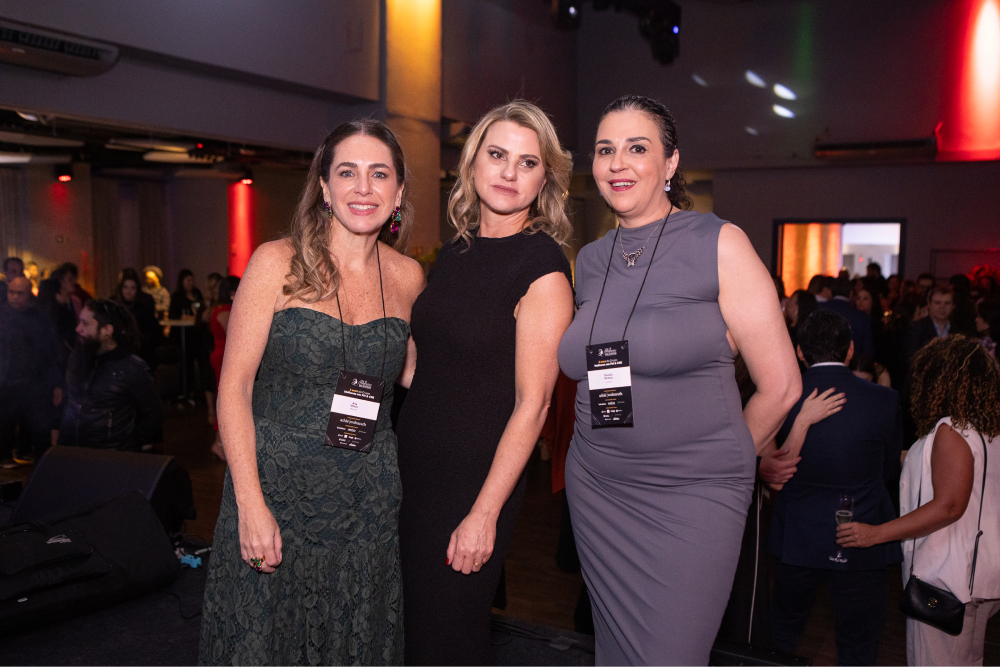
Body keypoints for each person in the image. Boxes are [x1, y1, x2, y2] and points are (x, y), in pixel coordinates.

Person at [556, 95, 801, 665]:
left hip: (692, 499)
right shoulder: (589, 261)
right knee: (615, 654)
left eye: (636, 148)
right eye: (605, 150)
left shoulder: (718, 243)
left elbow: (783, 386)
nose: (618, 163)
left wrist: (721, 463)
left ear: (670, 163)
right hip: (597, 489)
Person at [198, 119, 424, 665]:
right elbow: (234, 387)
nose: (363, 188)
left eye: (379, 174)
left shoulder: (408, 277)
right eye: (347, 172)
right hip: (277, 495)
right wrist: (250, 505)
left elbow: (420, 378)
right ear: (324, 186)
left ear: (398, 191)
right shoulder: (276, 262)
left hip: (368, 503)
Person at [394, 100, 574, 665]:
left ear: (544, 179)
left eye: (527, 162)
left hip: (472, 484)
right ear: (472, 163)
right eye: (497, 155)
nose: (509, 172)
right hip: (412, 471)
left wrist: (484, 513)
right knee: (412, 634)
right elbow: (422, 370)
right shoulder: (455, 253)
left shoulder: (543, 268)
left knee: (448, 639)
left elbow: (533, 406)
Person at [837, 336, 1000, 666]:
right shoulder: (987, 431)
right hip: (981, 574)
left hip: (947, 577)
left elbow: (949, 505)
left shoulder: (951, 430)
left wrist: (876, 533)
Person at [766, 310, 904, 665]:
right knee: (858, 644)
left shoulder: (779, 397)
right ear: (850, 349)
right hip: (861, 530)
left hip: (797, 534)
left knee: (782, 635)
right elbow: (889, 471)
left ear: (800, 351)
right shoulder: (884, 399)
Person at [59, 299, 163, 450]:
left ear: (107, 330)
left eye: (85, 324)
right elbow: (71, 404)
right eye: (79, 322)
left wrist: (126, 446)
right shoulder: (78, 358)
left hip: (107, 457)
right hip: (72, 453)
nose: (78, 329)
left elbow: (154, 414)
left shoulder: (131, 368)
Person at [0, 276, 63, 467]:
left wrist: (56, 383)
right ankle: (5, 456)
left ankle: (39, 458)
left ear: (28, 294)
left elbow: (50, 352)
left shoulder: (40, 318)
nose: (15, 297)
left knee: (38, 424)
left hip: (34, 380)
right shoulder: (2, 315)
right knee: (5, 421)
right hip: (7, 379)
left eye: (20, 293)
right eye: (12, 292)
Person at [207, 275, 239, 461]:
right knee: (226, 400)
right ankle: (219, 444)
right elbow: (234, 336)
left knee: (225, 398)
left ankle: (220, 443)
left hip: (223, 356)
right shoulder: (226, 310)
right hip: (225, 358)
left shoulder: (220, 309)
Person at [114, 268, 162, 371]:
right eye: (125, 287)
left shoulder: (145, 303)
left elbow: (153, 330)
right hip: (120, 351)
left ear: (137, 289)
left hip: (143, 350)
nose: (128, 291)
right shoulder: (114, 303)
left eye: (132, 288)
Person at [818, 276, 875, 358]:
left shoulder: (819, 308)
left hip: (822, 360)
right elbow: (867, 351)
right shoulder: (862, 317)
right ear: (851, 294)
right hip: (853, 362)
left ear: (830, 292)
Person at [905, 285, 955, 360]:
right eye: (937, 303)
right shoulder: (916, 328)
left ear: (953, 306)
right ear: (929, 304)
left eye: (947, 303)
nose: (942, 307)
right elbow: (912, 357)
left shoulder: (959, 329)